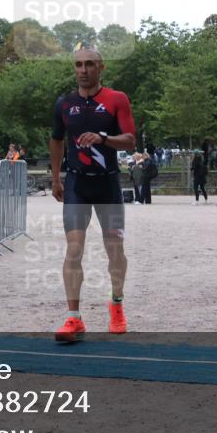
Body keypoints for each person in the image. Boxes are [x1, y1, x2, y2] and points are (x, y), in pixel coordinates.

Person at [50, 42, 136, 343]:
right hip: (76, 185)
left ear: (101, 67)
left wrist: (103, 137)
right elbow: (56, 140)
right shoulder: (64, 103)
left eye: (89, 64)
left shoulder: (116, 99)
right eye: (78, 65)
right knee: (73, 249)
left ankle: (116, 304)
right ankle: (74, 318)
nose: (83, 70)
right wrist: (56, 178)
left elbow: (130, 141)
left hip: (107, 184)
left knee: (115, 250)